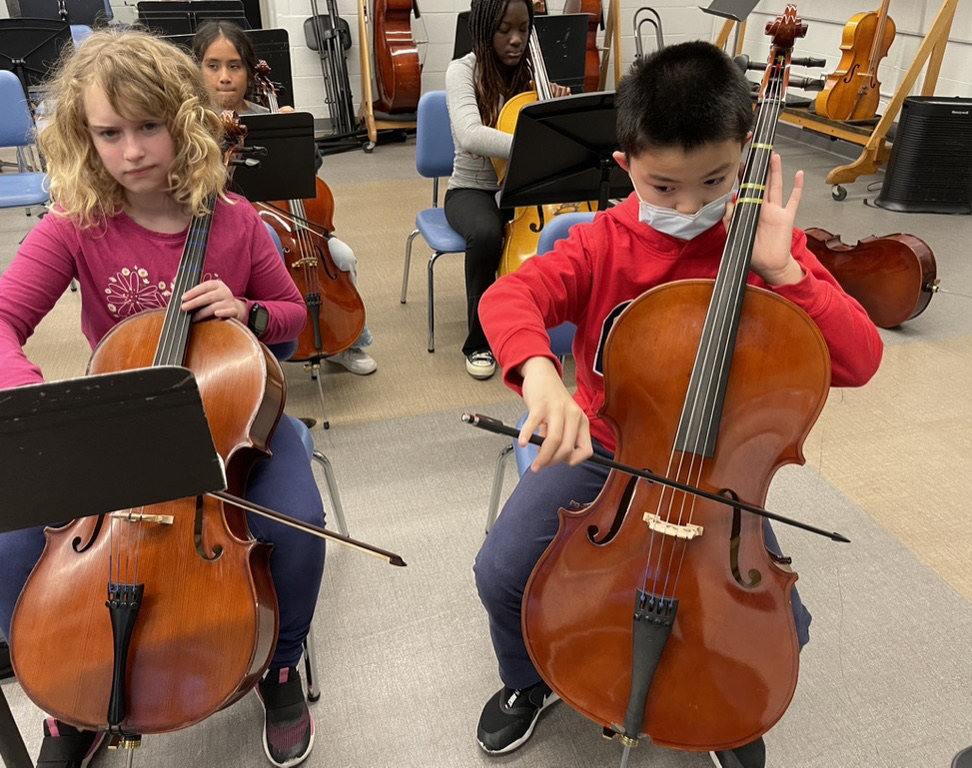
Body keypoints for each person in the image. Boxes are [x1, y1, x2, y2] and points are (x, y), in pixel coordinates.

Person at [472, 41, 884, 768]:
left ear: (745, 156)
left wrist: (787, 273)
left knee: (782, 624)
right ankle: (525, 681)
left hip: (726, 476)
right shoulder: (601, 244)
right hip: (614, 454)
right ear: (626, 161)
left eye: (713, 182)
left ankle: (724, 711)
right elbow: (512, 296)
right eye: (663, 187)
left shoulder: (763, 245)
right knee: (501, 574)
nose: (690, 207)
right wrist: (539, 375)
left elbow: (858, 361)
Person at [0, 29, 326, 768]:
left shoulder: (235, 219)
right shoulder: (76, 225)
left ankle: (279, 666)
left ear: (184, 120)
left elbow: (293, 319)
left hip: (235, 410)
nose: (130, 152)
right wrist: (35, 406)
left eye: (148, 126)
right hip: (121, 418)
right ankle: (67, 703)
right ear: (83, 137)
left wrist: (249, 314)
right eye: (109, 133)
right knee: (5, 556)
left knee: (299, 525)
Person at [192, 19, 377, 376]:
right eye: (212, 66)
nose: (224, 77)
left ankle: (349, 340)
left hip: (287, 222)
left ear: (248, 71)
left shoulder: (264, 116)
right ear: (196, 70)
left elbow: (309, 172)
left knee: (341, 256)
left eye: (234, 66)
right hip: (221, 229)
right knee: (273, 246)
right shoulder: (191, 123)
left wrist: (295, 137)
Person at [445, 0, 567, 380]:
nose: (516, 40)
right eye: (504, 30)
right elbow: (470, 133)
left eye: (524, 29)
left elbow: (558, 134)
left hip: (526, 186)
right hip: (473, 189)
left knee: (572, 227)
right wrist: (533, 142)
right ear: (484, 29)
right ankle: (479, 341)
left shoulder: (533, 72)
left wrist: (554, 107)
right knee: (485, 233)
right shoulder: (462, 71)